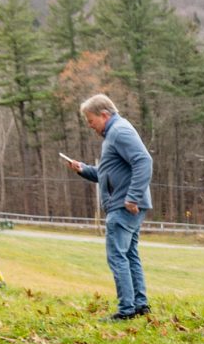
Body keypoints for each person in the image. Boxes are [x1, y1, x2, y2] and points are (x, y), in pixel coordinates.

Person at [64, 94, 153, 321]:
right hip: (127, 203)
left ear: (104, 115)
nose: (90, 126)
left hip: (124, 205)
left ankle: (126, 310)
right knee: (130, 254)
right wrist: (83, 169)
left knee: (117, 256)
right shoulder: (115, 134)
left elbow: (144, 161)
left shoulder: (119, 132)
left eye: (91, 120)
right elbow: (107, 174)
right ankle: (140, 305)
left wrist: (132, 197)